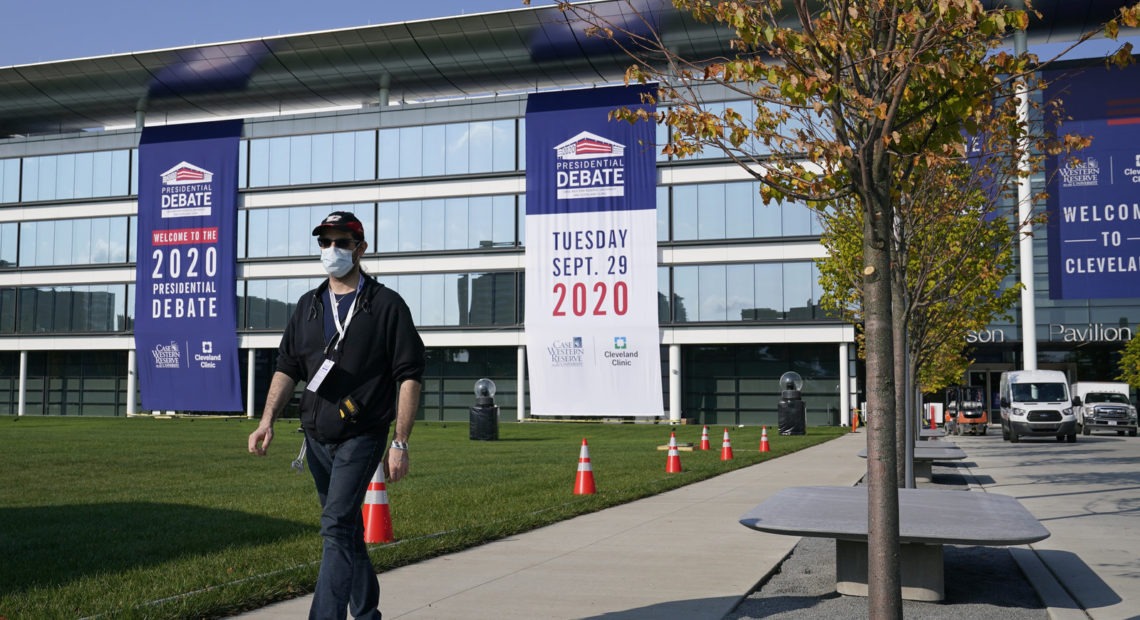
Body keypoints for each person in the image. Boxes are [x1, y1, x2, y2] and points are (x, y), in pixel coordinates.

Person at [248, 211, 425, 620]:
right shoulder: (308, 305)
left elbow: (409, 376)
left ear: (361, 249)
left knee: (334, 525)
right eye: (325, 242)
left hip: (362, 435)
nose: (332, 250)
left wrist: (399, 442)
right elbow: (287, 366)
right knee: (344, 527)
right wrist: (267, 420)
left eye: (341, 242)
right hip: (315, 437)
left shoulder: (385, 306)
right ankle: (367, 614)